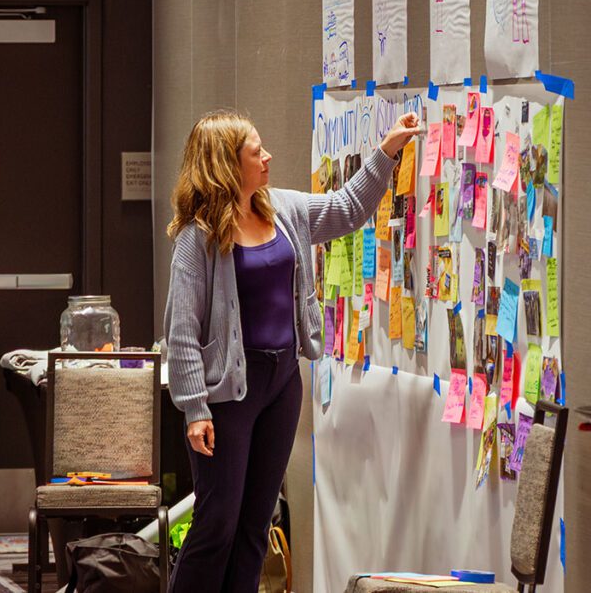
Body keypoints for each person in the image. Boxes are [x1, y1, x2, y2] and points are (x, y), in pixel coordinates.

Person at [163, 109, 422, 592]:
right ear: (226, 164)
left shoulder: (283, 210)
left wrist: (387, 152)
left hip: (281, 385)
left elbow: (347, 209)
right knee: (216, 523)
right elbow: (180, 332)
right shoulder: (197, 238)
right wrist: (194, 408)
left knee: (256, 525)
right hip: (228, 398)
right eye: (255, 151)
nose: (267, 157)